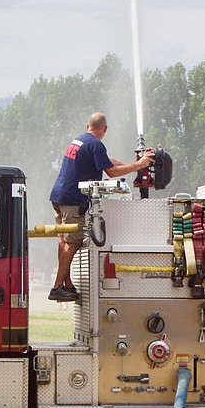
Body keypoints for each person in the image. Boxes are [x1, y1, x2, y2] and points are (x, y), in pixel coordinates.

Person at [47, 112, 154, 301]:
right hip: (73, 200)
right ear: (105, 129)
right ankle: (56, 287)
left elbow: (107, 161)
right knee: (73, 242)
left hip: (58, 196)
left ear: (88, 125)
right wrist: (139, 166)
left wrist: (135, 165)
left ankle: (67, 285)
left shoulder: (80, 141)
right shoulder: (95, 144)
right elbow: (111, 172)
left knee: (64, 241)